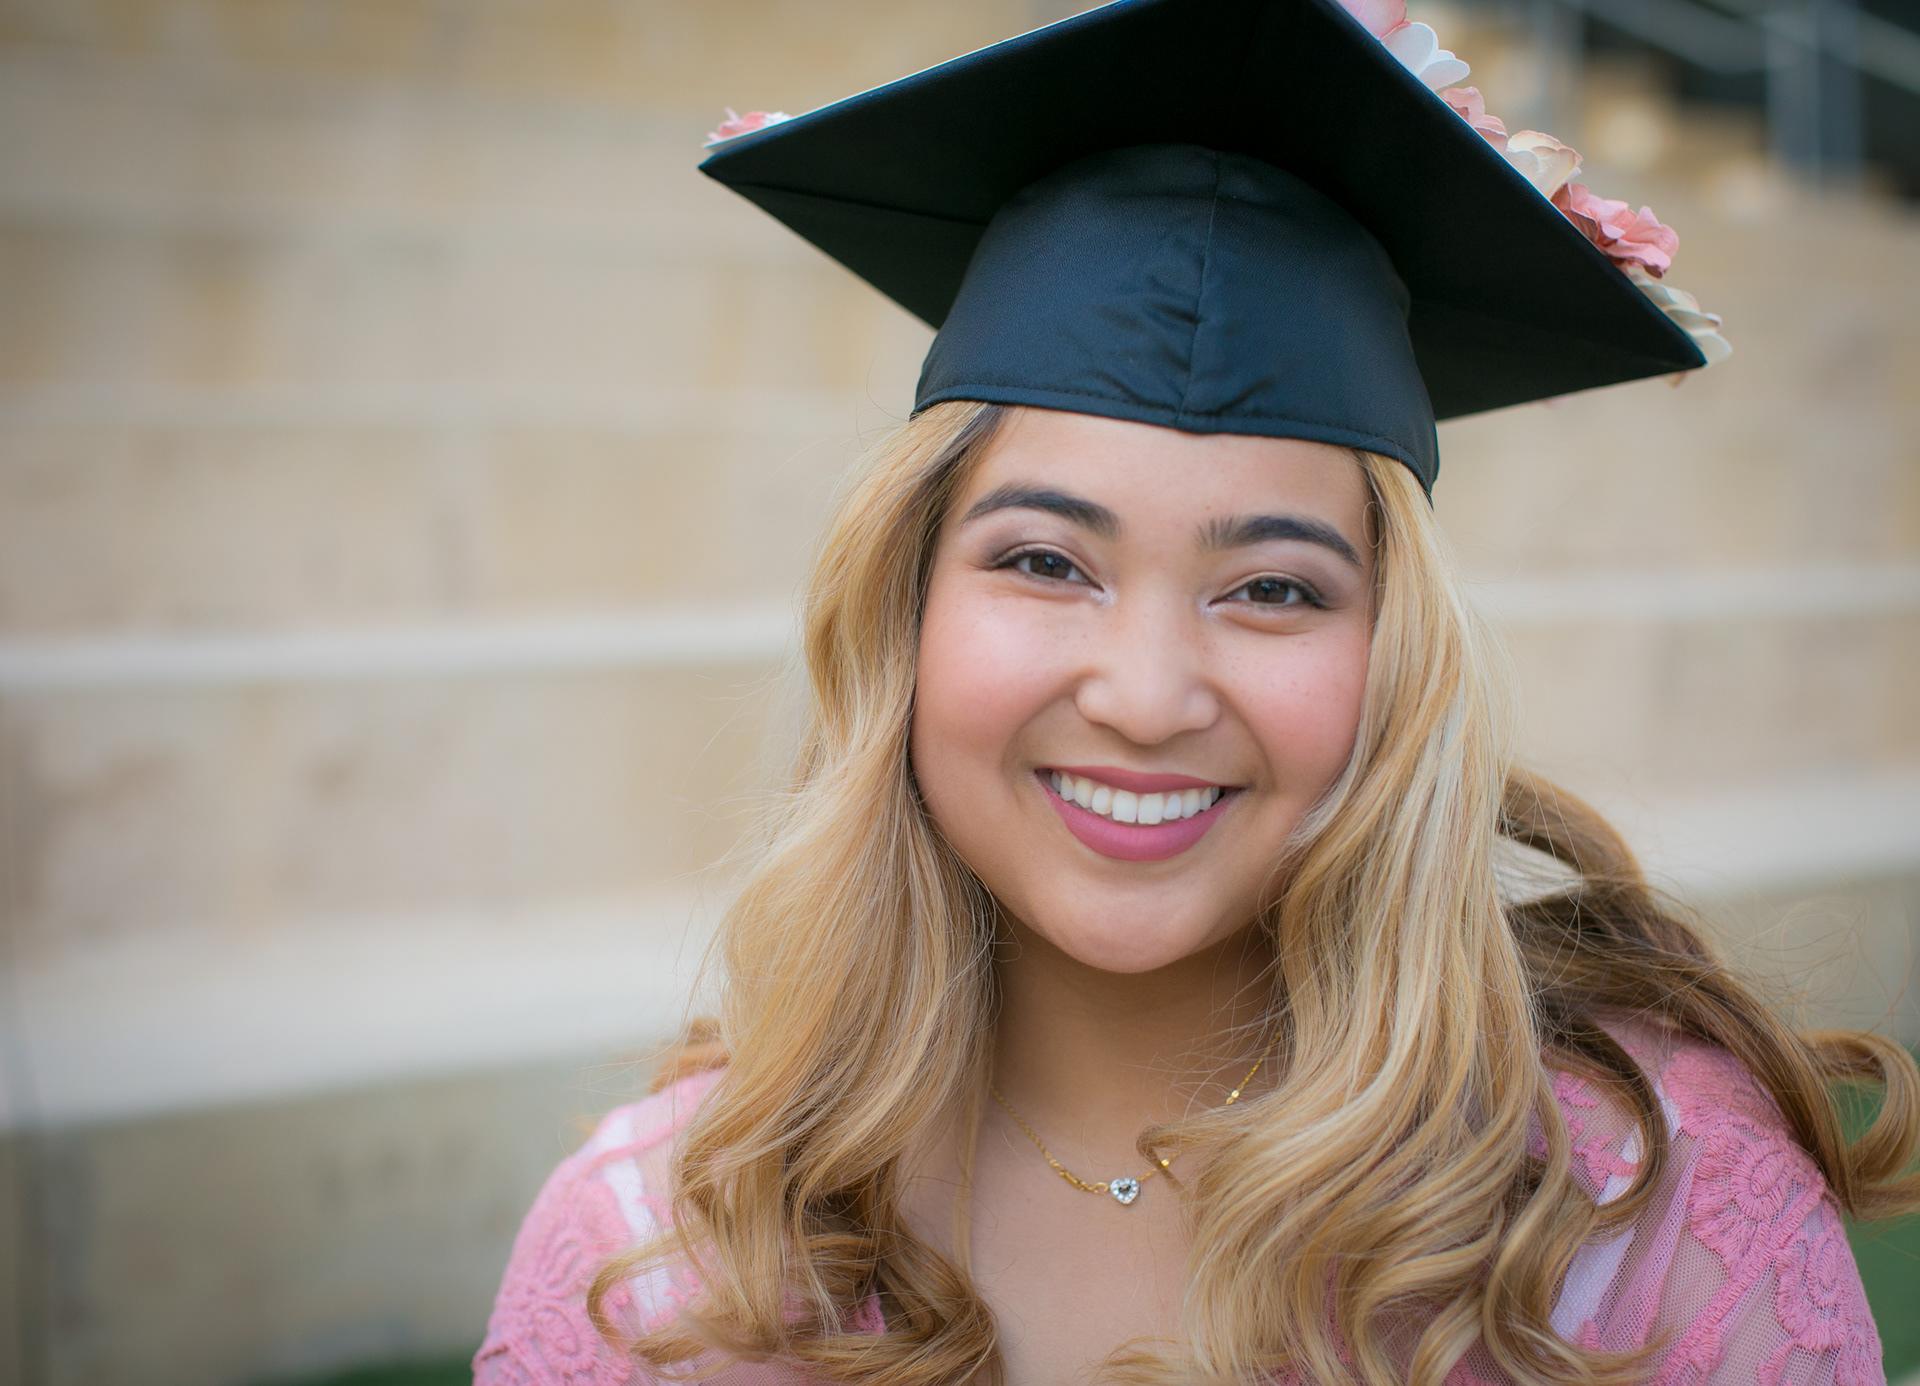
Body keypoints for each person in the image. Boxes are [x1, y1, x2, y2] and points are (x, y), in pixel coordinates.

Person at [474, 0, 1917, 1382]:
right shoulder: (659, 1255)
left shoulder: (1640, 1225)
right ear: (905, 608)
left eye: (1273, 588)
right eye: (1046, 561)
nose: (1149, 697)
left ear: (1396, 656)